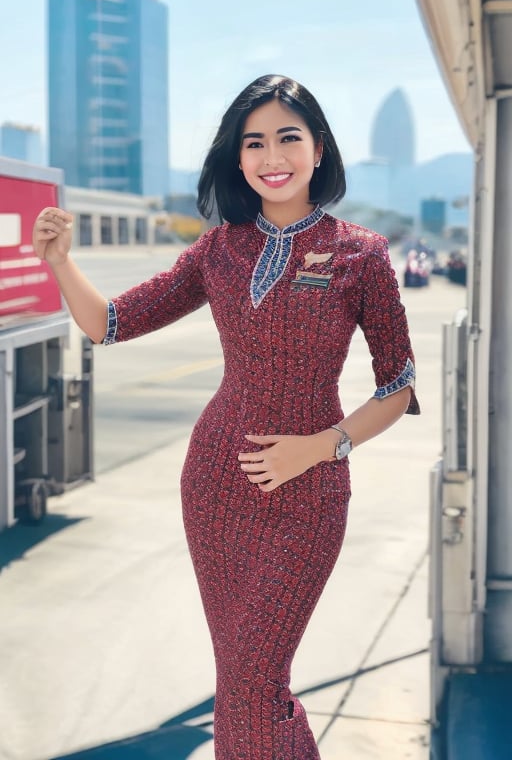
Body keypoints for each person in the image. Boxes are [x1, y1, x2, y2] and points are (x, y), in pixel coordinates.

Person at [32, 74, 419, 760]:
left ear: (320, 149)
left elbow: (398, 386)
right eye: (255, 142)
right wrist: (61, 263)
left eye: (289, 137)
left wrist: (320, 448)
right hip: (215, 485)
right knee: (240, 680)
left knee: (253, 683)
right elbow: (110, 324)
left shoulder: (363, 253)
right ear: (238, 160)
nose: (273, 155)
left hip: (310, 494)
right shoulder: (219, 250)